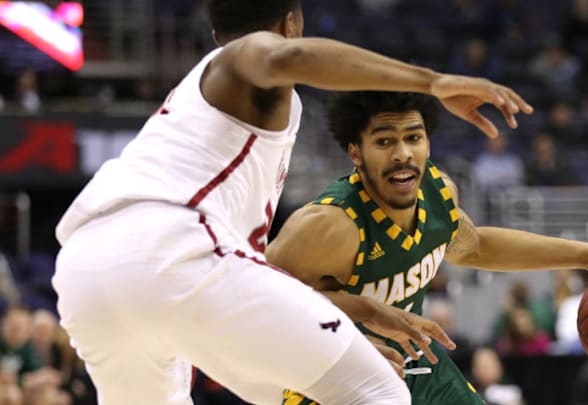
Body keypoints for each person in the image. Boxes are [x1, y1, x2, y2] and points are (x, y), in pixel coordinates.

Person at [51, 1, 535, 404]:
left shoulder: (198, 104)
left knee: (281, 386)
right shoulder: (247, 55)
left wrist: (358, 312)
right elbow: (284, 57)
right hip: (173, 246)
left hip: (86, 272)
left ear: (215, 28)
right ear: (291, 21)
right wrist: (430, 82)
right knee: (379, 390)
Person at [265, 91, 588, 404]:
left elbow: (474, 247)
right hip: (330, 373)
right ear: (356, 152)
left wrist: (587, 255)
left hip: (416, 364)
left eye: (414, 137)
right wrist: (355, 321)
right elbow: (257, 298)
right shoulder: (329, 225)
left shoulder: (438, 193)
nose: (403, 153)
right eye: (384, 141)